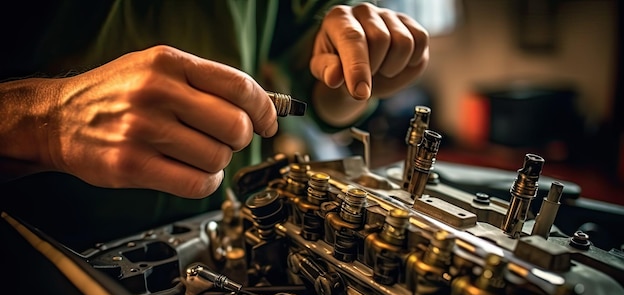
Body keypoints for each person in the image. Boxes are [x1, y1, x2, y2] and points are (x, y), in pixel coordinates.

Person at [0, 1, 429, 249]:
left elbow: (313, 72)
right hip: (37, 262)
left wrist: (351, 73)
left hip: (235, 236)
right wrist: (45, 122)